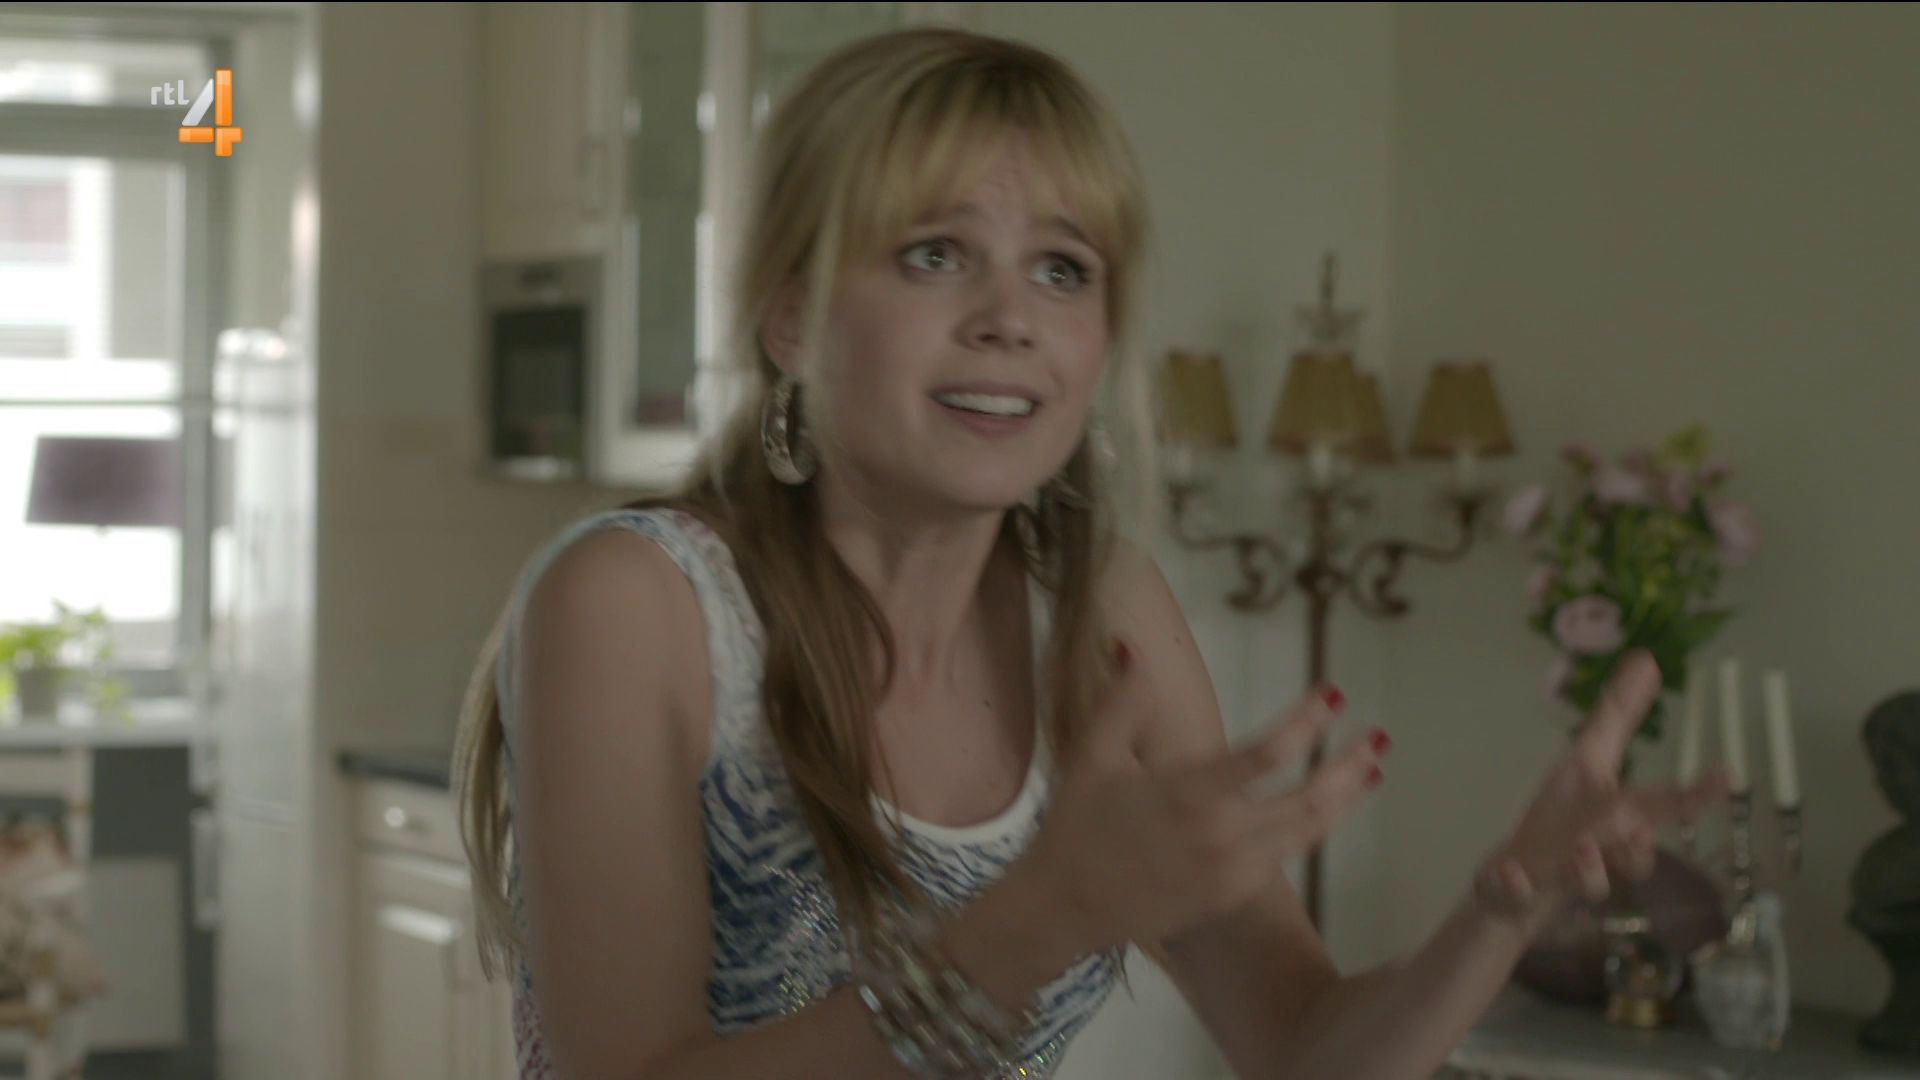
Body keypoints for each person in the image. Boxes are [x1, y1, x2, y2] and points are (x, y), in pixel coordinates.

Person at [451, 26, 1731, 1080]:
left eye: (1063, 270)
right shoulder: (638, 603)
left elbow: (1302, 1047)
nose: (1009, 317)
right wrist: (1037, 922)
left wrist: (1500, 912)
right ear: (790, 317)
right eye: (935, 254)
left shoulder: (1100, 614)